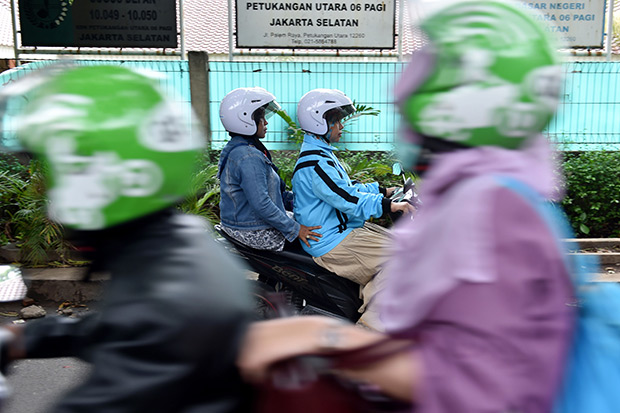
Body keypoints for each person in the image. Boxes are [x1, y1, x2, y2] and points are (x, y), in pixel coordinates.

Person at [238, 1, 577, 411]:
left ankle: (371, 334)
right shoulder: (494, 191)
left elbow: (471, 379)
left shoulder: (490, 207)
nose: (405, 95)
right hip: (334, 238)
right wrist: (385, 201)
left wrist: (338, 344)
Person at [0, 65, 254, 412]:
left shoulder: (171, 305)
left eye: (63, 172)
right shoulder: (176, 246)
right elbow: (120, 326)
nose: (51, 201)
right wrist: (23, 338)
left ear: (104, 174)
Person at [292, 88, 414, 331]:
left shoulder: (322, 156)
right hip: (330, 239)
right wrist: (389, 205)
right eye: (336, 121)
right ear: (319, 122)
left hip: (342, 229)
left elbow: (347, 188)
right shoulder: (314, 163)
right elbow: (345, 198)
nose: (341, 126)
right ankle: (369, 331)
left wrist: (383, 190)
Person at [218, 87, 321, 251]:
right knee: (318, 242)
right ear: (245, 119)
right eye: (261, 118)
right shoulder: (248, 156)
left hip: (243, 222)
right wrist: (296, 230)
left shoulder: (239, 148)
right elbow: (262, 204)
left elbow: (273, 194)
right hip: (252, 230)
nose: (265, 122)